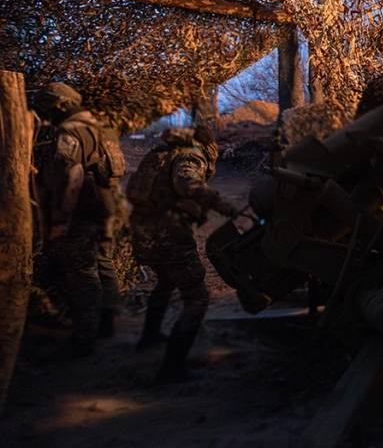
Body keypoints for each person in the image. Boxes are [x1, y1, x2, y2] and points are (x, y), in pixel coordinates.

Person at [126, 125, 239, 383]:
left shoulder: (164, 152)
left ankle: (149, 337)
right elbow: (186, 183)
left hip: (144, 231)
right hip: (168, 233)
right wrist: (221, 204)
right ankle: (172, 367)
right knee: (197, 297)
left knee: (166, 281)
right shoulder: (191, 155)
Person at [31, 82, 126, 357]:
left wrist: (61, 219)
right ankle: (106, 325)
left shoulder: (69, 132)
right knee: (103, 264)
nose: (46, 114)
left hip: (81, 213)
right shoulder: (101, 128)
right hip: (105, 208)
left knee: (82, 274)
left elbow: (72, 177)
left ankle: (85, 338)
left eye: (48, 108)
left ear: (60, 105)